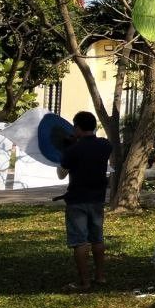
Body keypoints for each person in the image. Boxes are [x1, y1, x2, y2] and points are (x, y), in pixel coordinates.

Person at [56, 111, 113, 292]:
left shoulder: (73, 150)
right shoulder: (105, 145)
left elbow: (61, 174)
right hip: (97, 199)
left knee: (80, 241)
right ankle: (101, 277)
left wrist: (67, 150)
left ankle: (84, 282)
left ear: (78, 128)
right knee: (97, 238)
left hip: (77, 199)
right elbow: (97, 148)